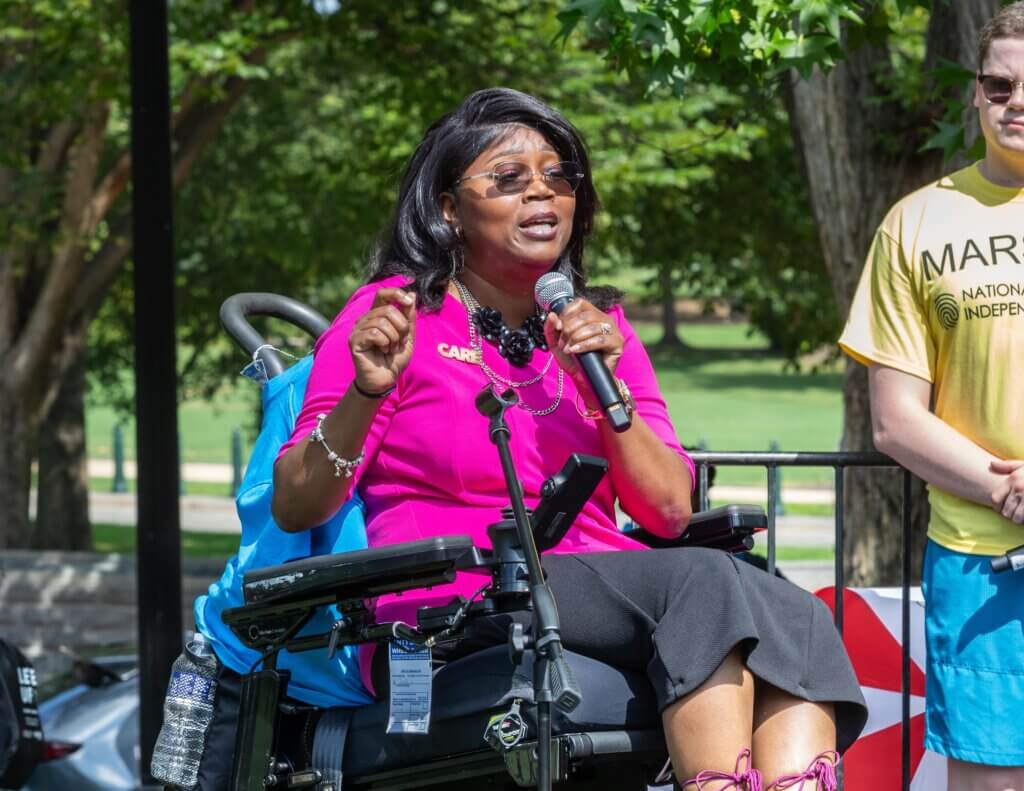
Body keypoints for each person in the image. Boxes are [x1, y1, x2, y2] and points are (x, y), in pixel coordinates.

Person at [272, 87, 866, 790]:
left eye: (559, 177)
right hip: (456, 597)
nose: (543, 196)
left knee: (791, 607)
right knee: (710, 583)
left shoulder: (597, 329)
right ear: (448, 208)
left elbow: (669, 511)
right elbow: (296, 503)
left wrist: (602, 392)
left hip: (599, 592)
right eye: (510, 179)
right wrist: (366, 392)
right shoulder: (399, 315)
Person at [839, 4, 1024, 788]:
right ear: (976, 95)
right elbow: (895, 417)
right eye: (999, 84)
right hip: (985, 561)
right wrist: (1011, 490)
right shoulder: (916, 224)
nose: (1016, 101)